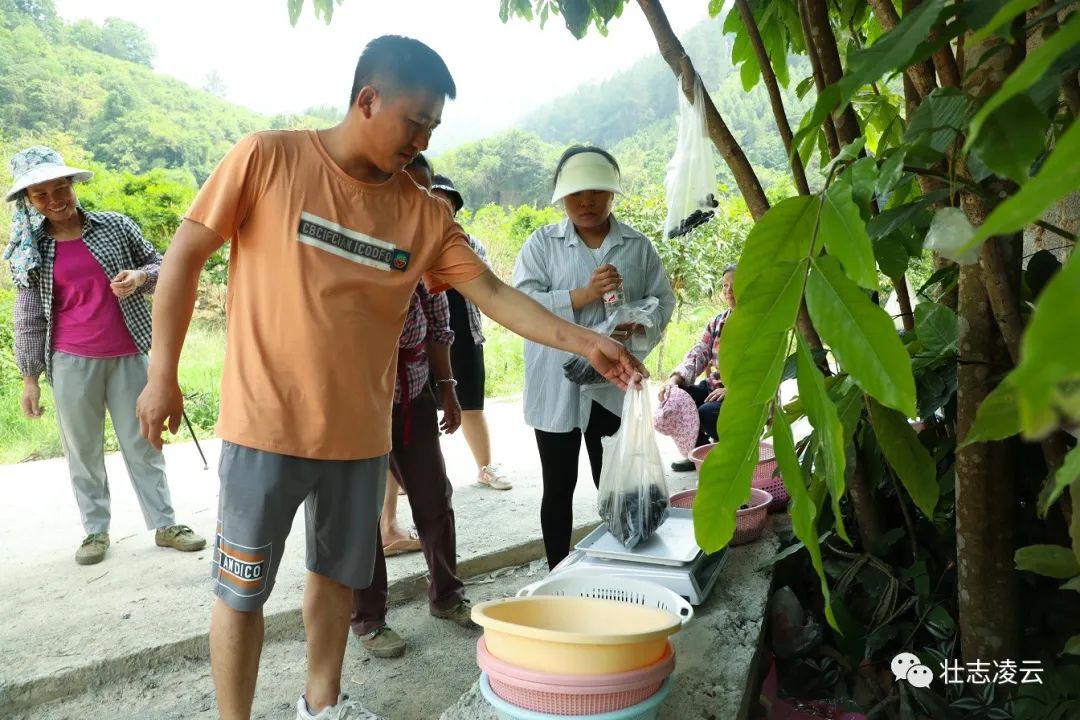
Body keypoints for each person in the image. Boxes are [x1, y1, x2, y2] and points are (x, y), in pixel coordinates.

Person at [134, 36, 644, 720]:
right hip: (265, 428)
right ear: (368, 99)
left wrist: (589, 340)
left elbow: (494, 293)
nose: (423, 137)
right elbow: (185, 256)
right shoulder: (267, 157)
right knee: (240, 590)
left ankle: (322, 705)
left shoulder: (424, 213)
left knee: (335, 580)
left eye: (434, 126)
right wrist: (160, 374)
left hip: (359, 439)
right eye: (416, 120)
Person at [4, 145, 206, 566]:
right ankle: (95, 531)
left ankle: (166, 524)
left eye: (61, 188)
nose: (55, 199)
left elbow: (163, 265)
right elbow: (27, 315)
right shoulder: (30, 249)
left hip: (129, 351)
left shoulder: (114, 227)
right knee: (82, 449)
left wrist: (141, 277)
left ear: (73, 185)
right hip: (69, 359)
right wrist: (29, 378)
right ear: (28, 202)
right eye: (41, 195)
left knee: (144, 440)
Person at [513, 145, 676, 570]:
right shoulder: (541, 245)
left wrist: (640, 326)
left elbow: (662, 300)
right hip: (556, 387)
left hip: (612, 385)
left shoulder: (636, 247)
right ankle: (558, 573)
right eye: (576, 194)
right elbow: (521, 304)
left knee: (618, 482)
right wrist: (582, 296)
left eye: (597, 193)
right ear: (562, 197)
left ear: (612, 194)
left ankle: (626, 564)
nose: (587, 202)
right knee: (559, 487)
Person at [351, 283, 474, 660]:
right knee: (360, 514)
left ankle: (446, 595)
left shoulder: (424, 276)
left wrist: (448, 391)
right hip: (355, 402)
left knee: (434, 498)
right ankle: (368, 618)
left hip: (412, 399)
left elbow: (439, 332)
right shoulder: (354, 266)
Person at [430, 173, 511, 490]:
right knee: (421, 413)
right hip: (423, 341)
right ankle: (413, 475)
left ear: (453, 208)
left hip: (465, 336)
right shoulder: (408, 242)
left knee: (472, 406)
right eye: (433, 199)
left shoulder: (470, 243)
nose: (439, 207)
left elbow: (489, 285)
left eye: (445, 202)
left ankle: (486, 467)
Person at [659, 263, 737, 472]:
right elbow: (699, 353)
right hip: (715, 388)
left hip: (745, 394)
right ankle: (700, 454)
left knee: (707, 412)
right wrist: (674, 380)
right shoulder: (717, 322)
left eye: (735, 285)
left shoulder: (760, 322)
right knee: (676, 397)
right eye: (725, 286)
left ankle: (728, 457)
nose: (729, 291)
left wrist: (733, 390)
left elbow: (763, 368)